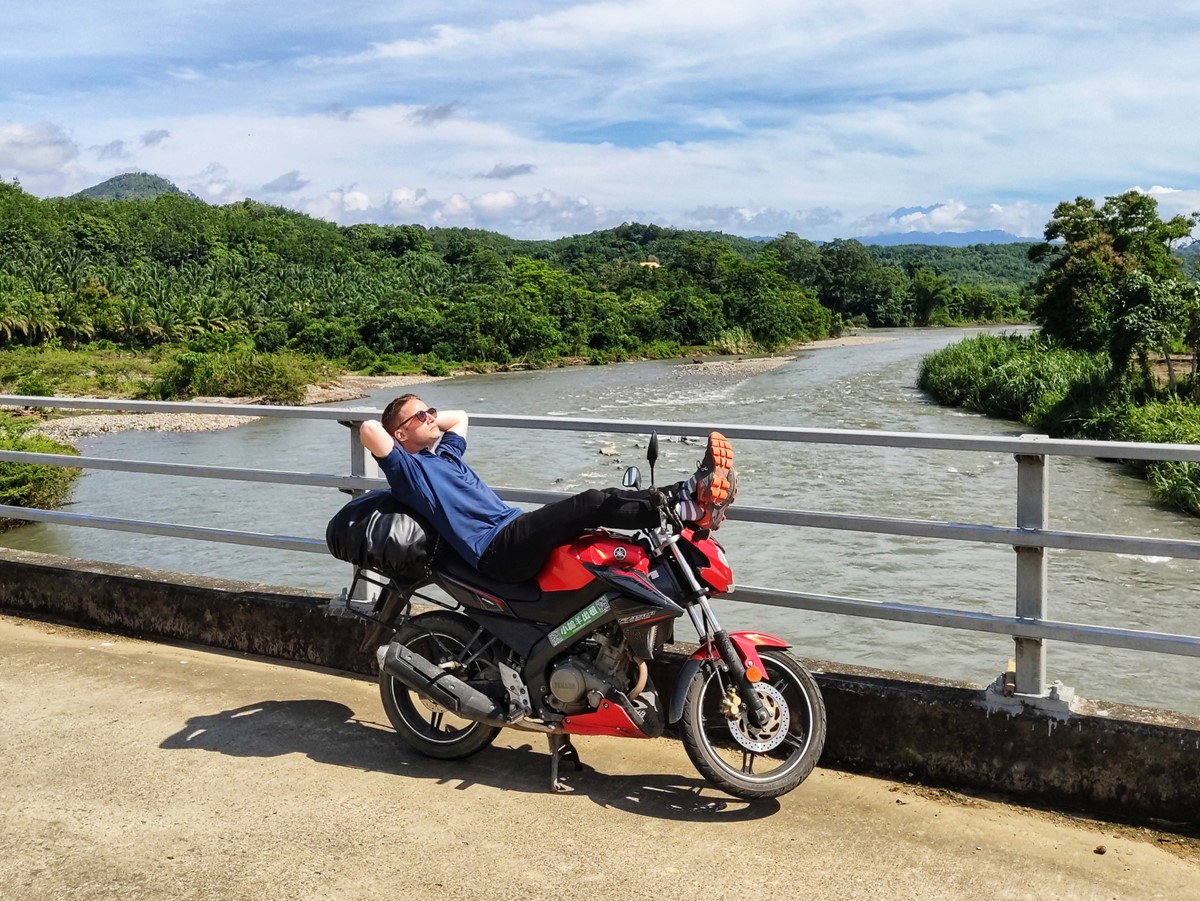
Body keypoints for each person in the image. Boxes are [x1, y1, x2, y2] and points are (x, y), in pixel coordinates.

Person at [359, 393, 736, 584]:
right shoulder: (407, 470)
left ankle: (686, 495)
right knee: (589, 503)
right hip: (495, 549)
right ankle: (686, 506)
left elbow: (463, 418)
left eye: (431, 412)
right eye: (420, 416)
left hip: (512, 531)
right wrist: (406, 429)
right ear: (401, 433)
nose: (431, 418)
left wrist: (427, 420)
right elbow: (369, 430)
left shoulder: (445, 456)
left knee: (600, 529)